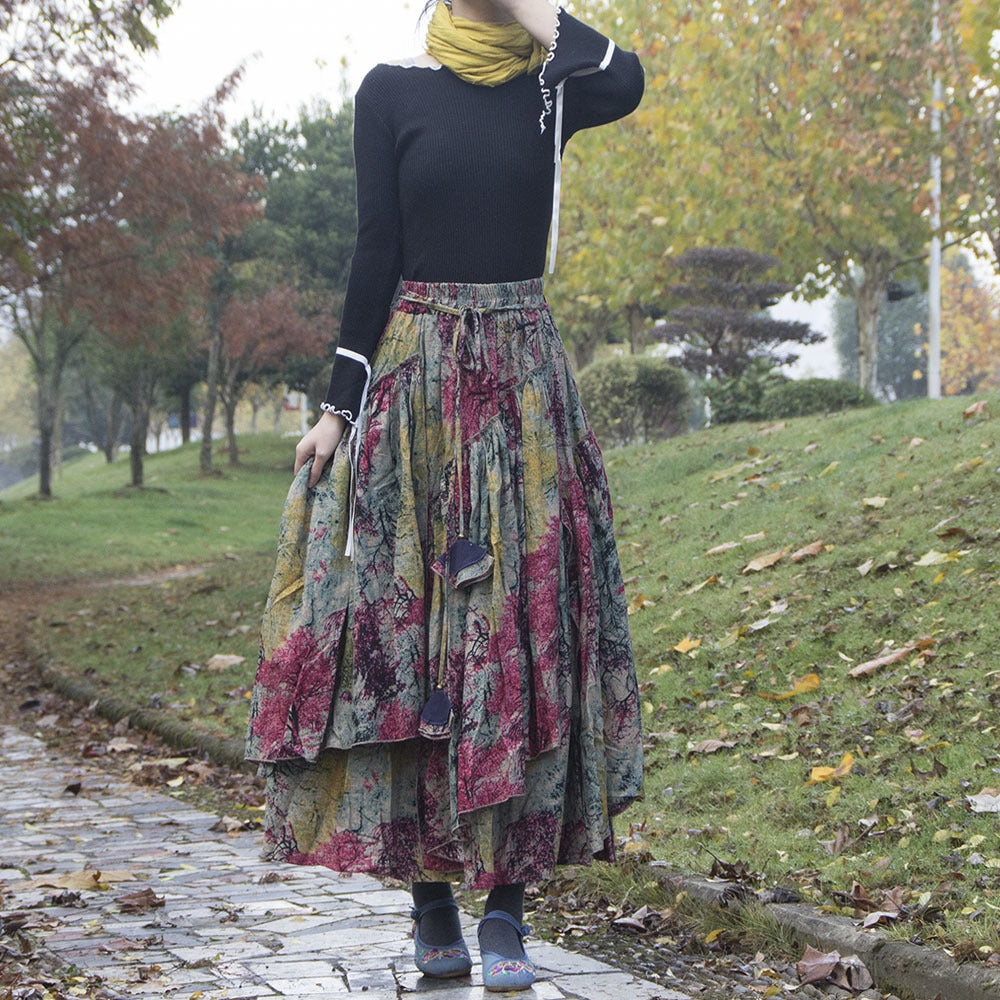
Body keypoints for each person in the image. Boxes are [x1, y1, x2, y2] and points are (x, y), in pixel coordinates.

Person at [244, 0, 645, 991]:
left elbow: (626, 78)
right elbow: (374, 247)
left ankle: (506, 903)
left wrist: (527, 9)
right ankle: (430, 901)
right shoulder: (390, 93)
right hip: (417, 391)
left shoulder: (551, 92)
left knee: (516, 642)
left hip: (523, 397)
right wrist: (337, 408)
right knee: (410, 643)